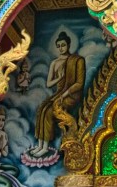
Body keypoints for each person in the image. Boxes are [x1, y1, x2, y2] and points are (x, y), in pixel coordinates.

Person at [27, 31, 86, 159]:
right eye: (58, 46)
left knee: (49, 111)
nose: (61, 48)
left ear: (69, 45)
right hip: (58, 94)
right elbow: (49, 84)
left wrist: (65, 95)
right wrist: (59, 78)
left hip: (71, 95)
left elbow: (79, 84)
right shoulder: (55, 63)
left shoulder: (77, 60)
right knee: (42, 109)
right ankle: (41, 144)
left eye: (63, 45)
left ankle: (45, 147)